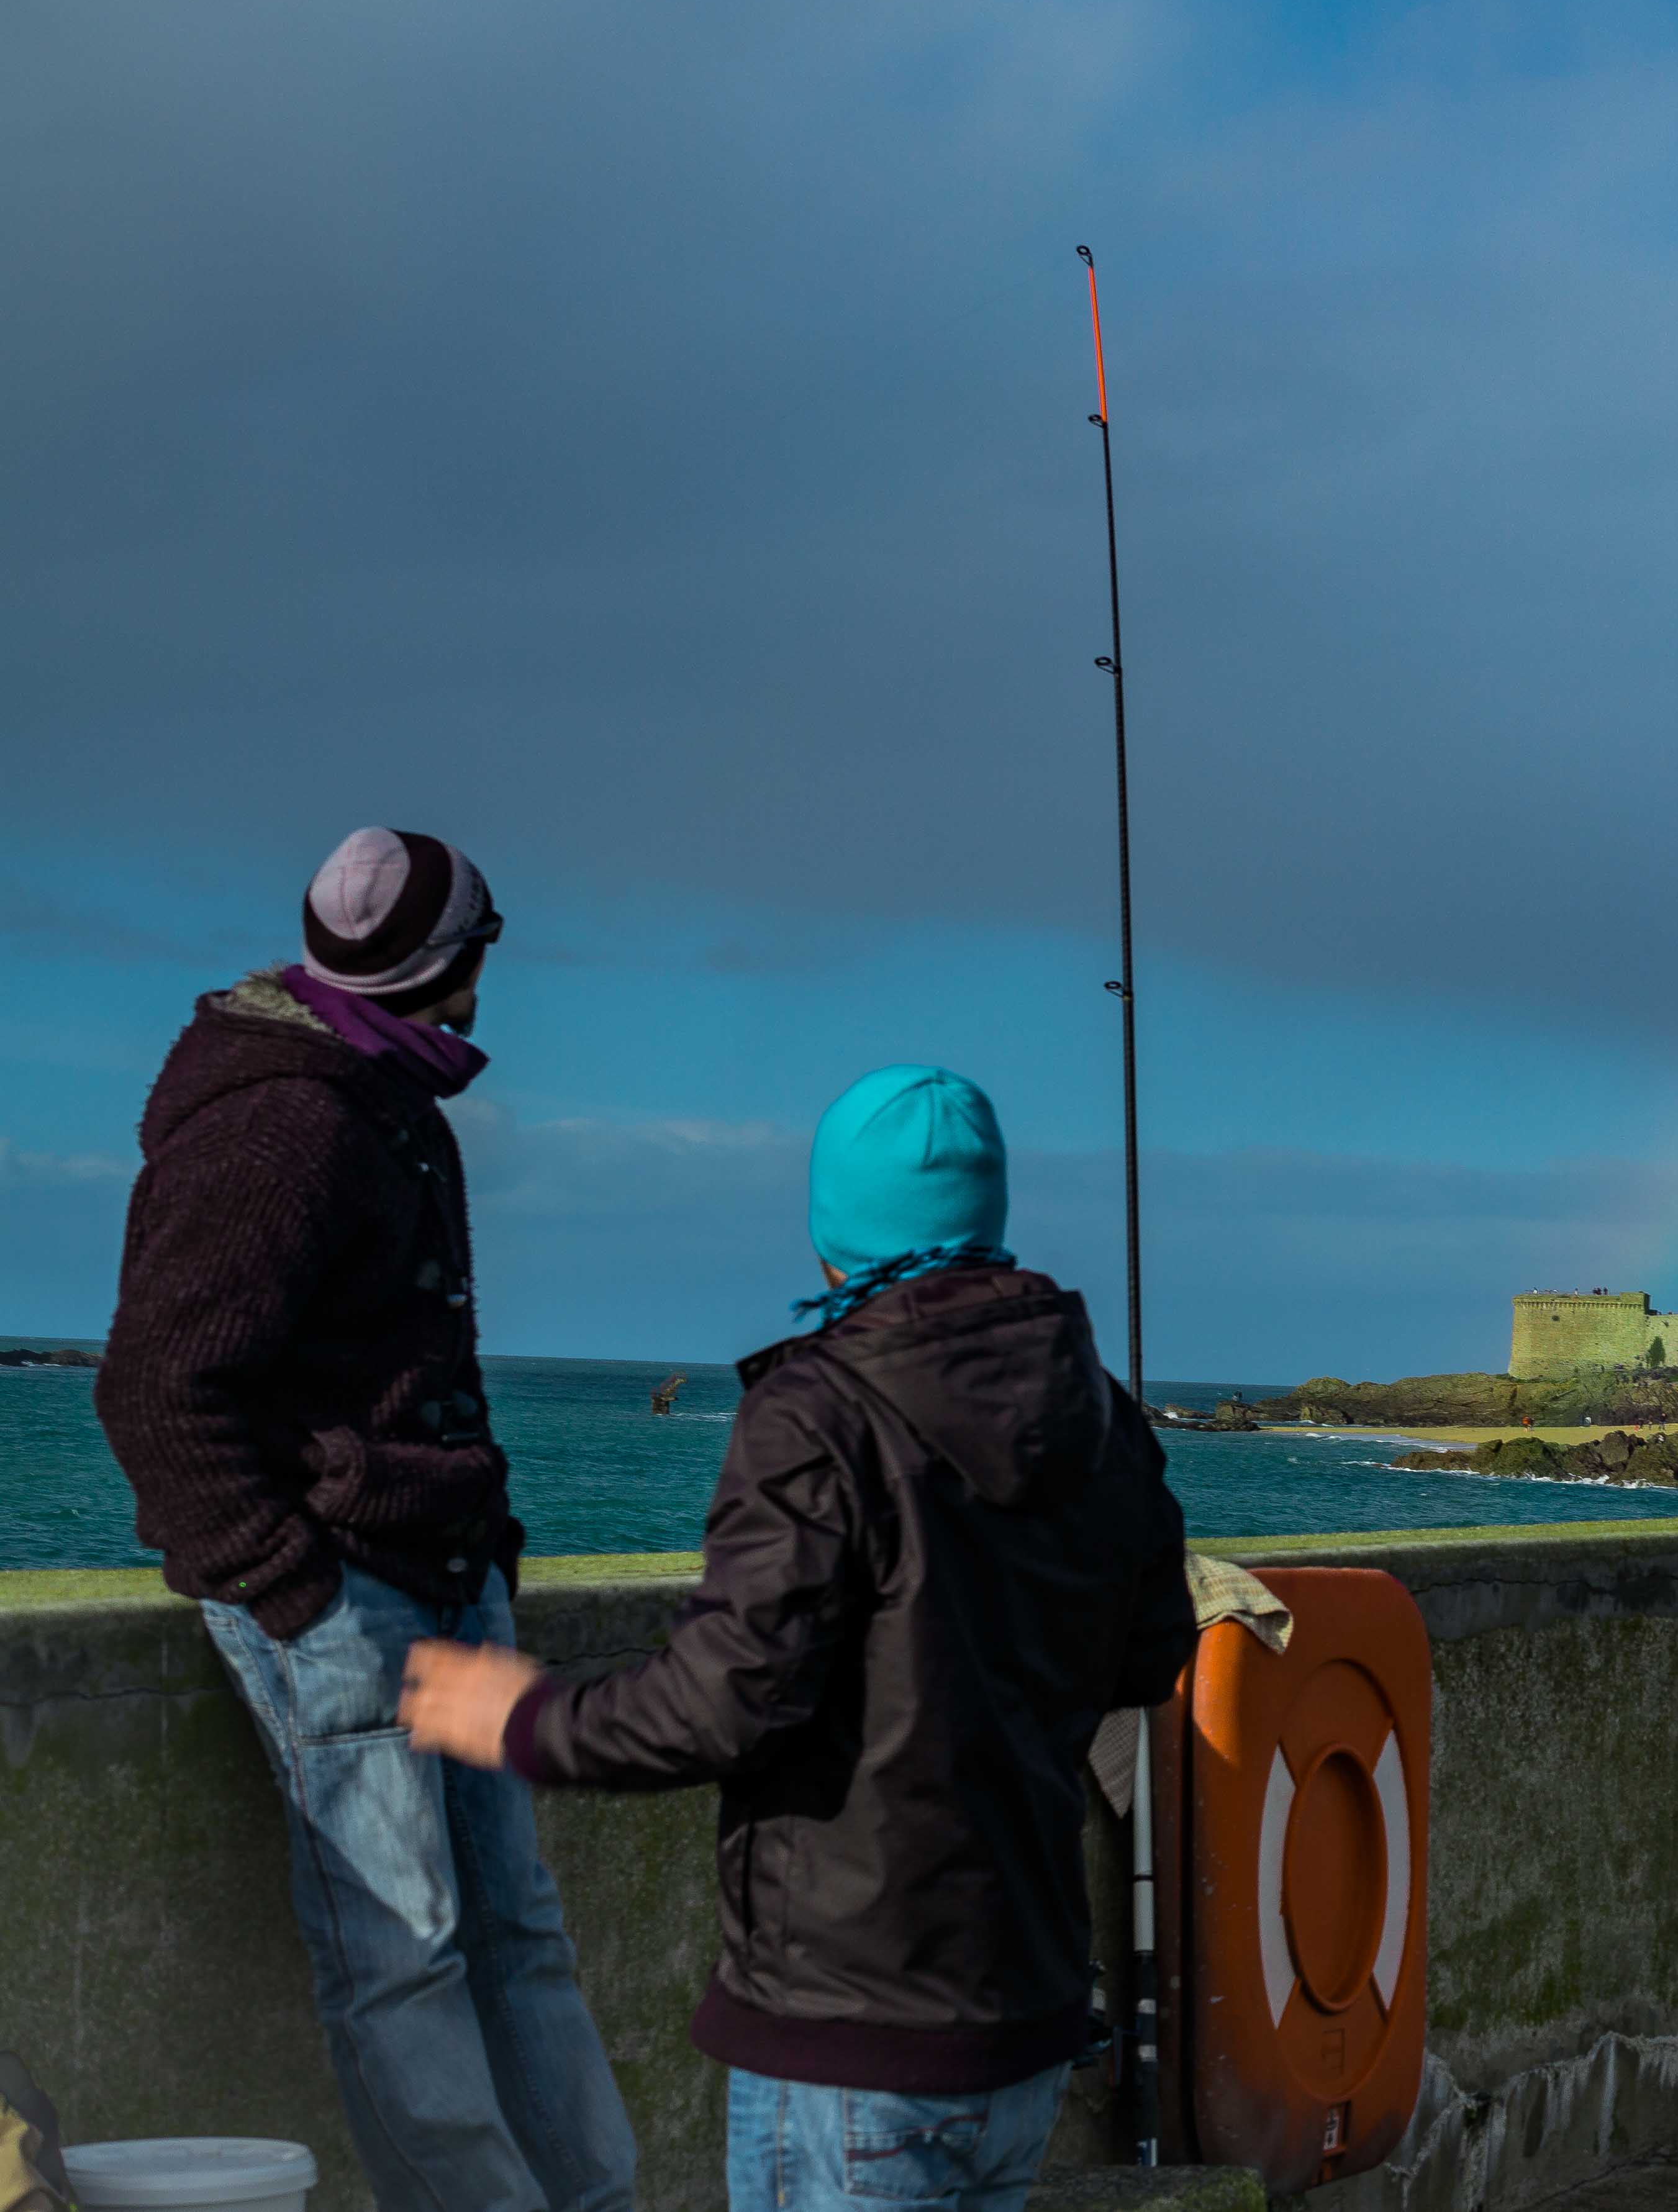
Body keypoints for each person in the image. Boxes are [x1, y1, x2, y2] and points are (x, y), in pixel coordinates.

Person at [399, 1066, 1194, 2211]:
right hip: (1024, 2019)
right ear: (988, 1215)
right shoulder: (1102, 1411)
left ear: (835, 1232)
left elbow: (724, 1701)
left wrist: (519, 1717)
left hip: (851, 2033)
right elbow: (1148, 1653)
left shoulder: (820, 1411)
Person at [93, 829, 637, 2212]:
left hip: (447, 1580)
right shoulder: (287, 1122)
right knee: (405, 1954)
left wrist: (481, 1551)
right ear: (455, 964)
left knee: (517, 1935)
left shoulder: (384, 1099)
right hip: (349, 1597)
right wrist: (291, 1589)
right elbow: (157, 1388)